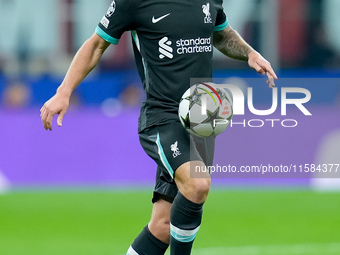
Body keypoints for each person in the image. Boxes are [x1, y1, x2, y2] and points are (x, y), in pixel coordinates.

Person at [40, 0, 277, 254]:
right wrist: (64, 91)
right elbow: (97, 44)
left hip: (201, 121)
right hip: (162, 115)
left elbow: (221, 34)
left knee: (162, 226)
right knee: (197, 185)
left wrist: (250, 53)